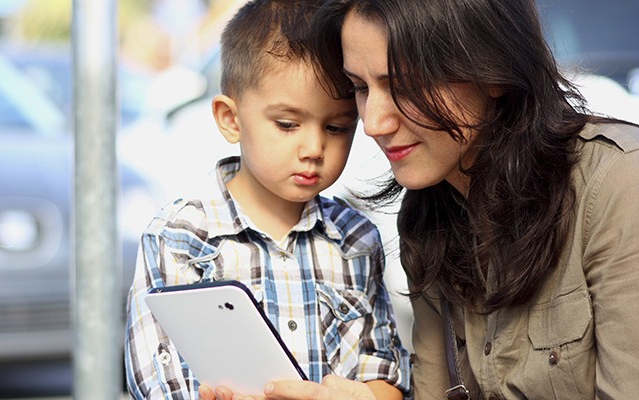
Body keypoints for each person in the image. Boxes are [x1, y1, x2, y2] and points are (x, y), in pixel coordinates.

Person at [238, 0, 639, 399]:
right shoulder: (428, 217)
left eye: (404, 86)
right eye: (360, 88)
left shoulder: (618, 185)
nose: (374, 122)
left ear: (494, 71)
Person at [123, 1, 411, 399]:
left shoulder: (356, 240)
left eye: (337, 127)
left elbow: (387, 375)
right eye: (288, 124)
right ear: (230, 119)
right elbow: (158, 380)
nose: (313, 147)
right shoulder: (179, 238)